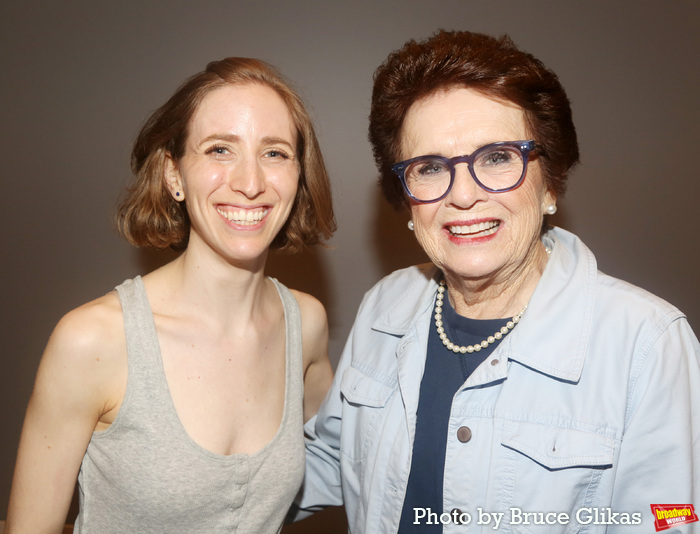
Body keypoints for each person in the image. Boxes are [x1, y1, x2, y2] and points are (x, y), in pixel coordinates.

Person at [296, 31, 700, 532]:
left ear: (550, 181)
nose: (463, 195)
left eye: (497, 157)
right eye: (430, 167)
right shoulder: (385, 305)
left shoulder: (647, 342)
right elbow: (329, 462)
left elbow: (672, 518)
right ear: (406, 199)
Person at [7, 57, 335, 533]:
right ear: (174, 175)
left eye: (275, 153)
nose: (250, 183)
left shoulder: (306, 324)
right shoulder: (94, 341)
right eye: (220, 149)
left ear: (298, 177)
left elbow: (341, 459)